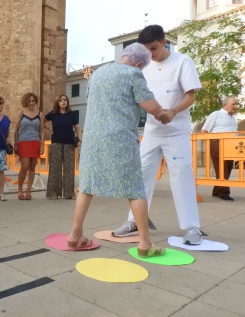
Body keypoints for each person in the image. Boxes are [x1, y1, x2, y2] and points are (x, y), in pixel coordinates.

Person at [67, 43, 166, 257]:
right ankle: (145, 243)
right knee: (134, 188)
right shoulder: (133, 74)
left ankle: (75, 234)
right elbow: (150, 106)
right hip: (119, 138)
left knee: (87, 186)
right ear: (138, 64)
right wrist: (164, 113)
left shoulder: (97, 73)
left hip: (92, 138)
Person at [112, 25, 203, 245]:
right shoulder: (144, 66)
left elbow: (191, 96)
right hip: (152, 131)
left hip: (177, 131)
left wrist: (173, 111)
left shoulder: (183, 61)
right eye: (146, 50)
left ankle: (192, 227)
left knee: (181, 175)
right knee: (141, 175)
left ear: (164, 42)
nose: (151, 54)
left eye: (154, 48)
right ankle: (135, 221)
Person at [44, 93, 82, 200]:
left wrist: (80, 139)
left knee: (69, 168)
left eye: (65, 100)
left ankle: (69, 193)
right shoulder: (53, 114)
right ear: (58, 102)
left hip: (69, 143)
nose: (63, 102)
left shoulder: (71, 114)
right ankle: (53, 193)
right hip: (56, 143)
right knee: (55, 168)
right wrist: (48, 129)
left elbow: (78, 129)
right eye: (61, 100)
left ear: (67, 102)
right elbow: (42, 122)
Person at [201, 96, 238, 201]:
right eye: (233, 104)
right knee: (222, 167)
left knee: (229, 166)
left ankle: (217, 190)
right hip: (217, 143)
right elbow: (204, 131)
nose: (235, 107)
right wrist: (211, 145)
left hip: (231, 145)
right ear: (225, 105)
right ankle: (224, 192)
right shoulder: (215, 115)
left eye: (236, 104)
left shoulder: (232, 117)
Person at [14, 92, 45, 200]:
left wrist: (42, 144)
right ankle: (19, 189)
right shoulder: (21, 113)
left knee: (32, 167)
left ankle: (28, 190)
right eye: (29, 101)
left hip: (35, 142)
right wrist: (16, 144)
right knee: (25, 166)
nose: (31, 103)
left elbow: (41, 131)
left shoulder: (40, 114)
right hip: (23, 142)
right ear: (26, 102)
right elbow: (16, 129)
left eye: (33, 101)